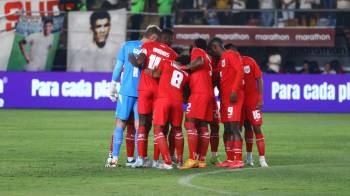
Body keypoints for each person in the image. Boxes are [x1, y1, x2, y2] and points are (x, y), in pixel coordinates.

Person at [105, 25, 161, 168]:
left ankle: (113, 159)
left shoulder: (127, 45)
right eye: (157, 39)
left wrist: (112, 85)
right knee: (139, 126)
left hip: (126, 90)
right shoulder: (152, 50)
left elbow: (118, 67)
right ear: (153, 37)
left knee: (120, 123)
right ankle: (138, 159)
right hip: (142, 92)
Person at [128, 26, 178, 167]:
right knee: (160, 125)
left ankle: (141, 159)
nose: (171, 41)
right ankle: (156, 161)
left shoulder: (148, 45)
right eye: (171, 39)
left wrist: (132, 59)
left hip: (144, 88)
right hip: (160, 91)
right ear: (167, 39)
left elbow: (139, 62)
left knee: (143, 122)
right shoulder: (173, 54)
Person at [146, 58, 189, 169]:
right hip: (177, 101)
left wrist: (151, 71)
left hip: (164, 99)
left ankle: (167, 162)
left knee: (158, 129)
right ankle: (179, 161)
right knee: (177, 129)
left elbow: (155, 75)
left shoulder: (166, 63)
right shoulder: (185, 74)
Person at [209, 37, 244, 169]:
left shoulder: (232, 55)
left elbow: (240, 71)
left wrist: (234, 90)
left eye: (211, 52)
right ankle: (230, 159)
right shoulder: (220, 62)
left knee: (234, 128)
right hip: (224, 99)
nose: (211, 55)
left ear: (215, 47)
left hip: (233, 97)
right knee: (228, 128)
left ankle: (239, 160)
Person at [180, 38, 214, 169]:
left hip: (199, 92)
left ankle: (192, 159)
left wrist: (185, 67)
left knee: (189, 123)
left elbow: (198, 61)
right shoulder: (209, 58)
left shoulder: (197, 51)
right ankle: (201, 160)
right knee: (202, 126)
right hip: (208, 93)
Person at [240, 55, 268, 168]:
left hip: (252, 101)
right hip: (240, 101)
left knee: (256, 127)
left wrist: (260, 98)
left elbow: (259, 79)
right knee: (245, 127)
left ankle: (262, 159)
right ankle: (249, 157)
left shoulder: (250, 61)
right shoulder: (232, 62)